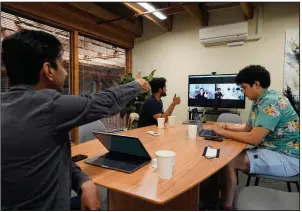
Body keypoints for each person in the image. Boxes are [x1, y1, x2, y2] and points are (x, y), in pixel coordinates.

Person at [1, 30, 150, 210]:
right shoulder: (49, 106)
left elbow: (49, 158)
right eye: (62, 65)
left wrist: (82, 181)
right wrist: (138, 83)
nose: (65, 72)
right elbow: (105, 102)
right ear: (48, 70)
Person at [210, 65, 299, 210]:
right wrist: (226, 127)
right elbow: (248, 128)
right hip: (273, 150)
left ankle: (226, 205)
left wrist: (222, 132)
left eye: (244, 87)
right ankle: (222, 194)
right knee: (227, 154)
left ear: (256, 84)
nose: (243, 92)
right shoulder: (259, 101)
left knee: (229, 161)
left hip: (288, 158)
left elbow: (253, 138)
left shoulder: (271, 102)